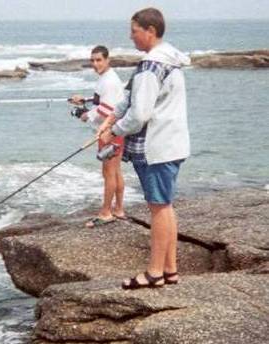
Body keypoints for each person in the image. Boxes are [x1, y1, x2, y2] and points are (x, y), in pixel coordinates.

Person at [98, 7, 191, 289]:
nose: (131, 36)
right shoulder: (167, 59)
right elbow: (130, 96)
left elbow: (140, 114)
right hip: (171, 144)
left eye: (134, 30)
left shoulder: (152, 65)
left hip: (157, 147)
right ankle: (170, 270)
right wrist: (112, 117)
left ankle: (154, 273)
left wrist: (113, 131)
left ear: (150, 31)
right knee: (165, 206)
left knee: (159, 208)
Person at [70, 46, 126, 228]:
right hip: (116, 130)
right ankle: (118, 209)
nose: (95, 64)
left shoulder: (108, 81)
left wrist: (87, 116)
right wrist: (83, 101)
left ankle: (106, 213)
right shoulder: (107, 78)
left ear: (107, 60)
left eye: (99, 60)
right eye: (92, 60)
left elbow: (107, 109)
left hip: (109, 132)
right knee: (115, 170)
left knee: (108, 172)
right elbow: (102, 101)